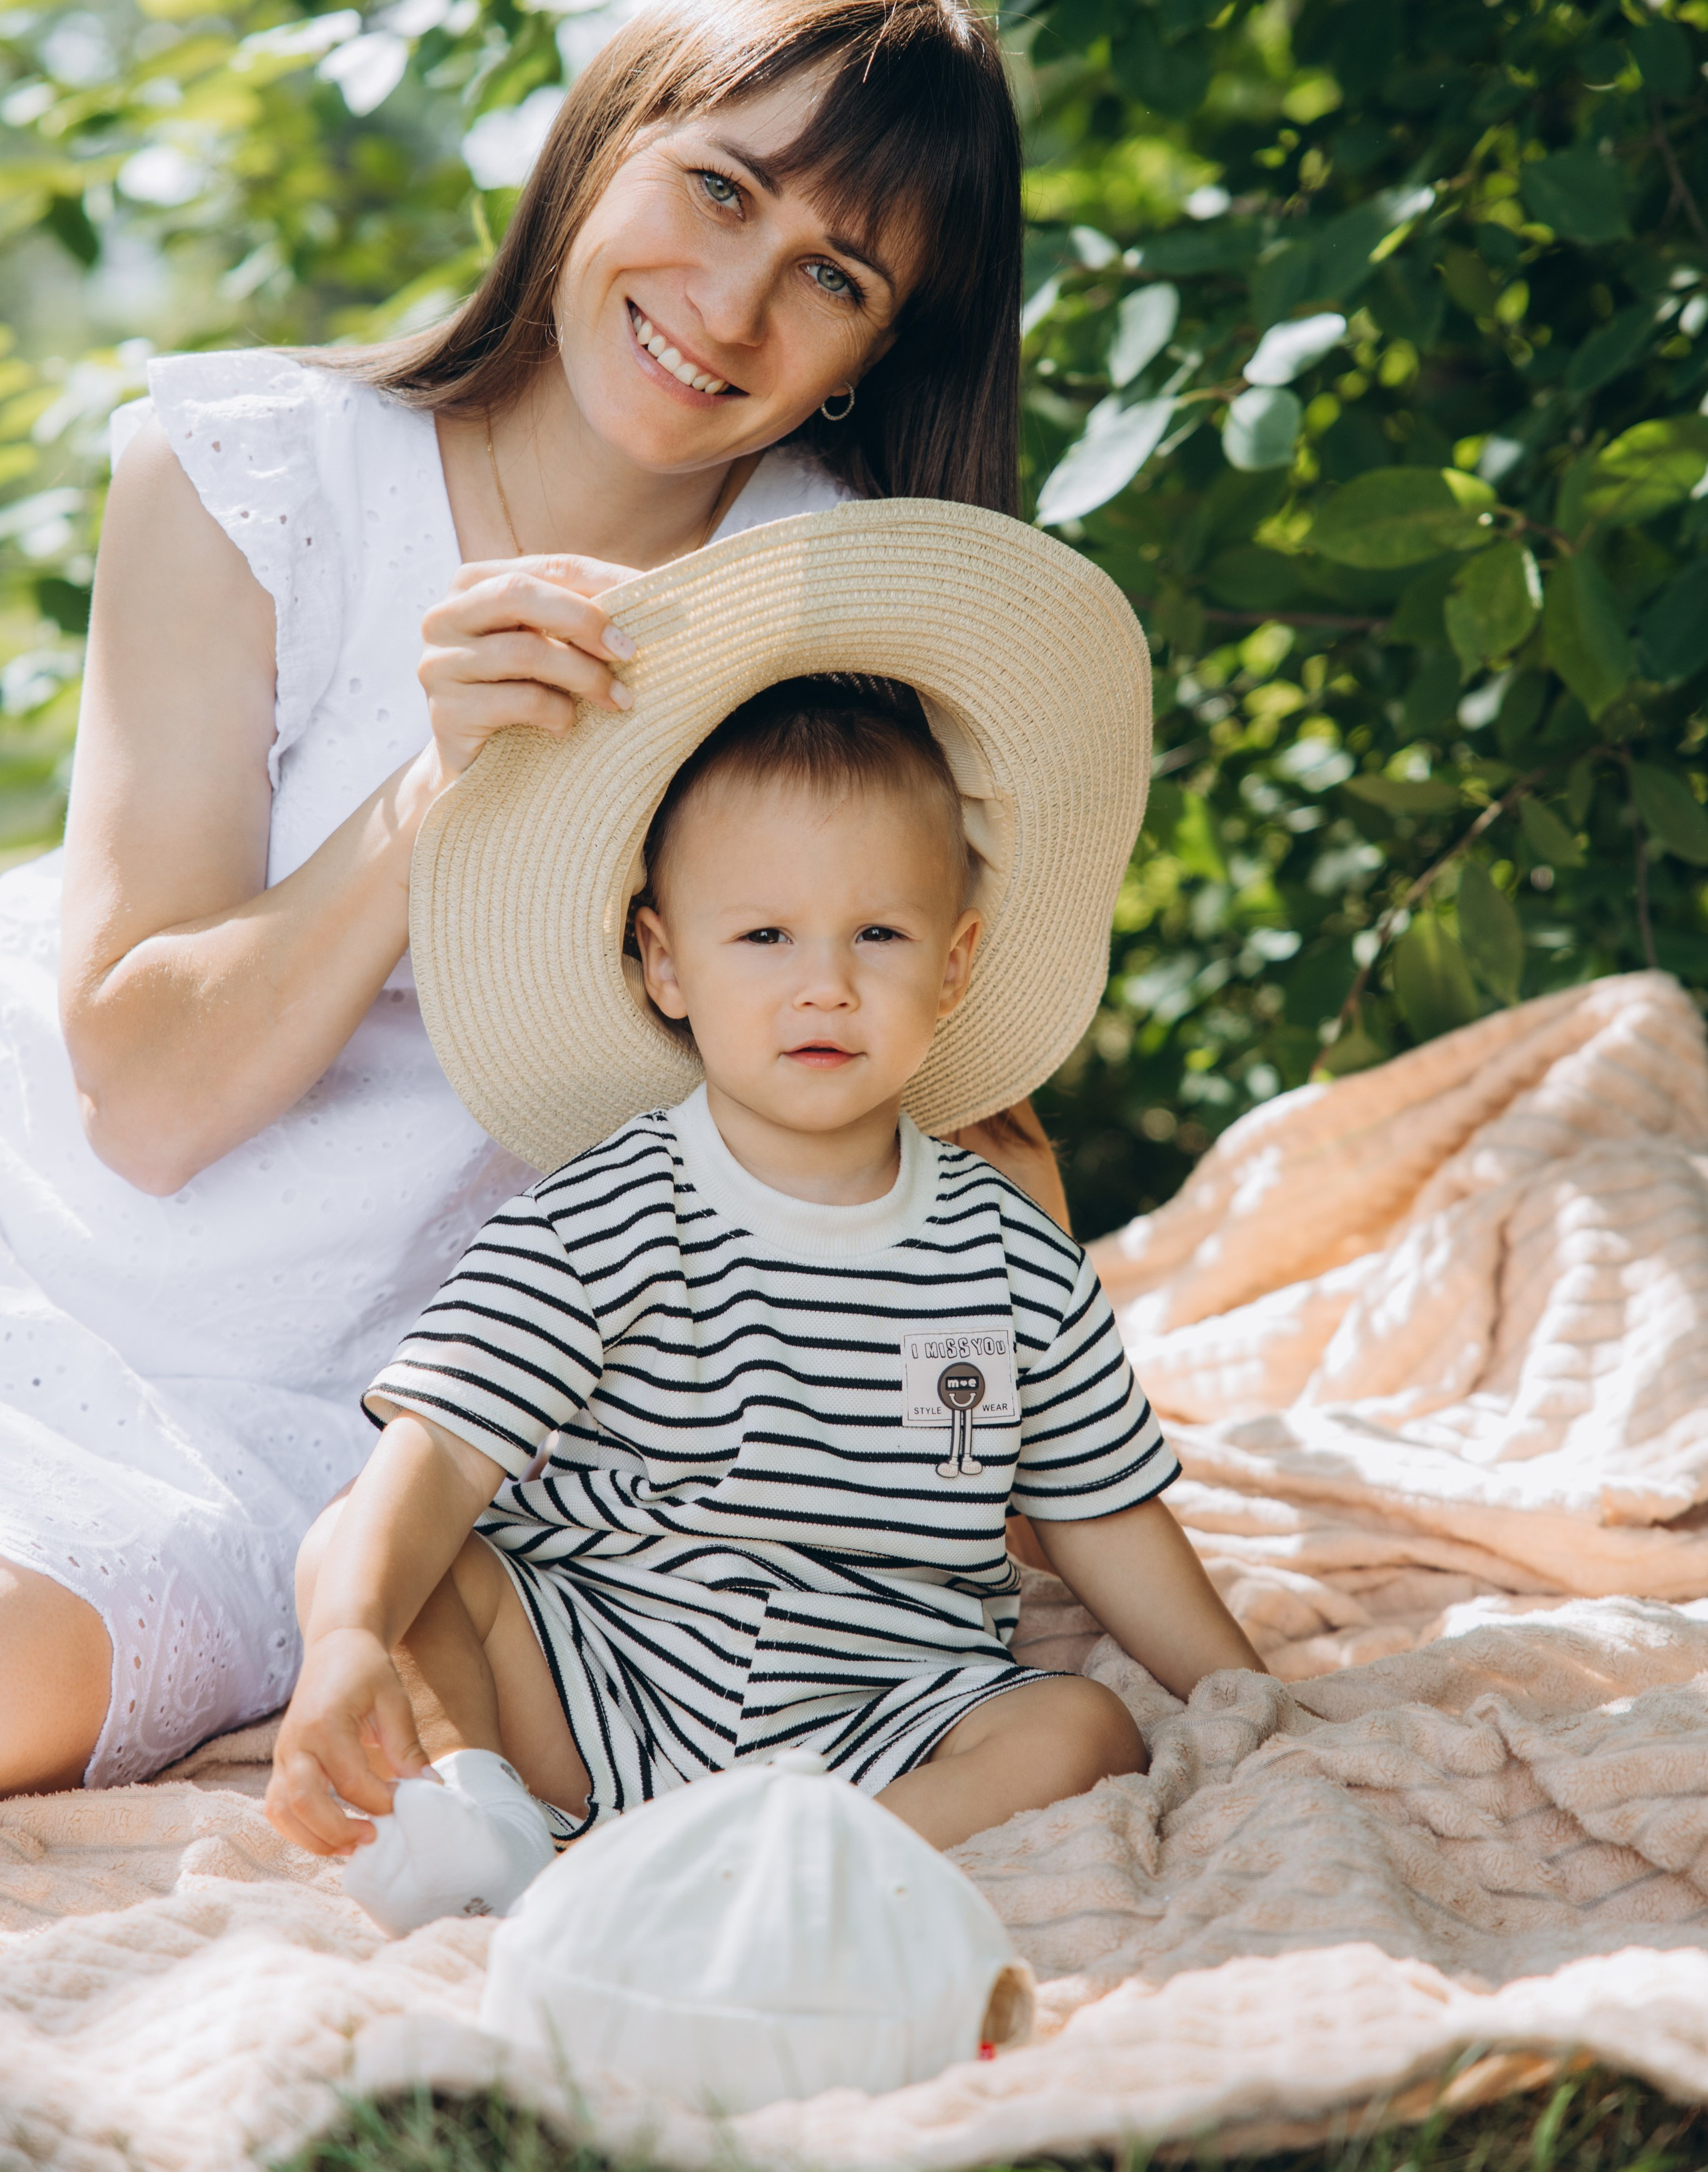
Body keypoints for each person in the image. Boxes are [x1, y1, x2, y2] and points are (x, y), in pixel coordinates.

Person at [0, 0, 1071, 1798]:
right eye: (716, 186)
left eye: (831, 276)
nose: (731, 308)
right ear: (602, 141)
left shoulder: (848, 619)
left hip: (330, 1411)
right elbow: (145, 1111)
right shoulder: (246, 473)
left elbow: (933, 1179)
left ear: (873, 356)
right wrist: (434, 791)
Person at [266, 662, 1261, 1930]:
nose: (825, 984)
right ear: (666, 964)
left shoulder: (1009, 1252)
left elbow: (1101, 1515)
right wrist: (351, 1633)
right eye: (765, 936)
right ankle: (482, 1803)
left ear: (953, 966)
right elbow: (444, 1451)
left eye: (880, 935)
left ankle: (787, 1868)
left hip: (883, 1707)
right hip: (600, 1678)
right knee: (372, 1541)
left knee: (1082, 1723)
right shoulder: (605, 1213)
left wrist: (1241, 1688)